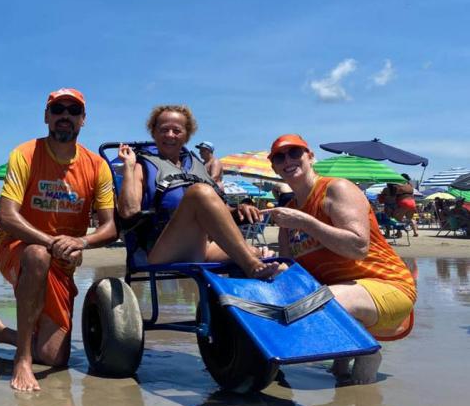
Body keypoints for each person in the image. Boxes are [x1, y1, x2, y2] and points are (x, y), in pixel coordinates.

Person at [0, 88, 118, 392]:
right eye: (58, 110)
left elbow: (110, 228)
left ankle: (1, 333)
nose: (65, 116)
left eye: (73, 111)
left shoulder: (97, 166)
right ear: (46, 117)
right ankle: (22, 359)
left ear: (83, 120)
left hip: (65, 260)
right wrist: (52, 243)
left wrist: (83, 243)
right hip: (18, 249)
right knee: (38, 254)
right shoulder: (25, 154)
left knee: (54, 357)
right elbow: (7, 217)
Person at [262, 134, 417, 384]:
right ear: (274, 167)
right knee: (341, 382)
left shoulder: (336, 188)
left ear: (310, 157)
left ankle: (367, 352)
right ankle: (345, 360)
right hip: (340, 295)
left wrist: (306, 223)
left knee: (312, 306)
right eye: (279, 157)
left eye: (295, 153)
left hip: (388, 286)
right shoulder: (289, 210)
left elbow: (358, 247)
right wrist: (267, 263)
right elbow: (290, 270)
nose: (287, 160)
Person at [117, 105, 282, 278]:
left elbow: (220, 210)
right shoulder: (141, 167)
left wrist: (239, 209)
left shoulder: (197, 167)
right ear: (154, 133)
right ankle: (252, 266)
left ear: (186, 135)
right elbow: (128, 212)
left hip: (202, 246)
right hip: (162, 251)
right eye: (163, 130)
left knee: (256, 252)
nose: (170, 135)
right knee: (199, 193)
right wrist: (128, 166)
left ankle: (228, 302)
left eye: (176, 130)